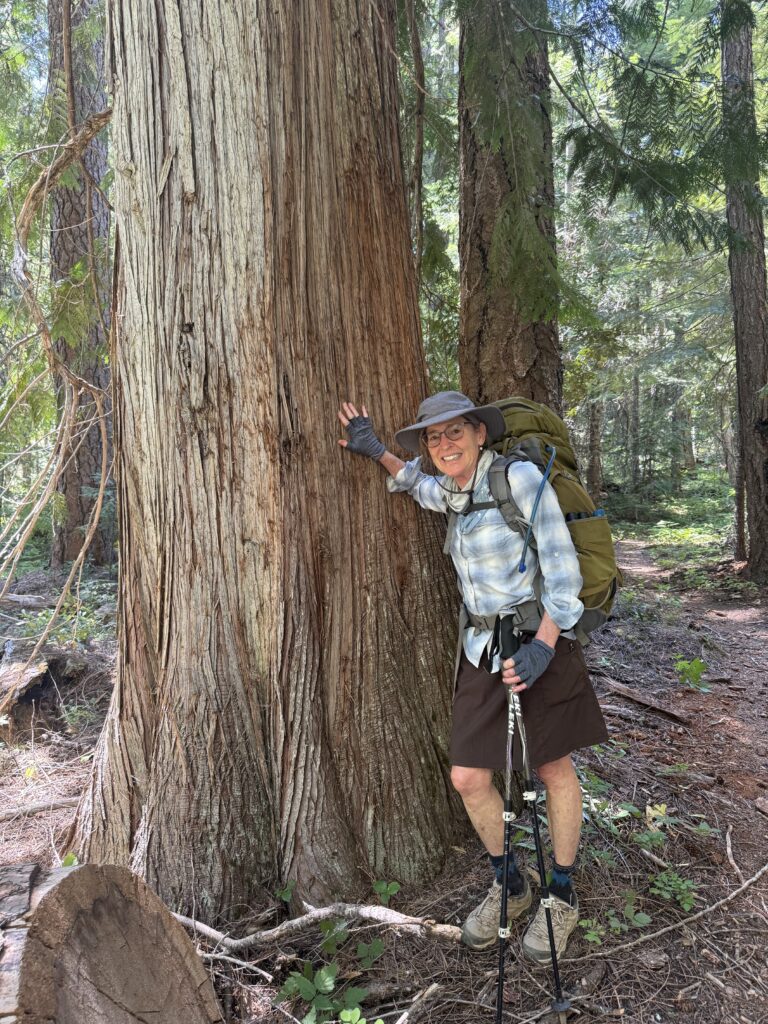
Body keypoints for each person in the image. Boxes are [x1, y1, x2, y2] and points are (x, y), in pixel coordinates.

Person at [337, 391, 608, 965]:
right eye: (433, 438)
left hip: (540, 643)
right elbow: (416, 483)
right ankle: (510, 884)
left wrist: (543, 648)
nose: (444, 444)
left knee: (553, 766)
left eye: (454, 431)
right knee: (467, 776)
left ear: (479, 433)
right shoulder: (453, 490)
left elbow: (564, 570)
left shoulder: (521, 480)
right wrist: (377, 450)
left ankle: (561, 894)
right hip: (484, 648)